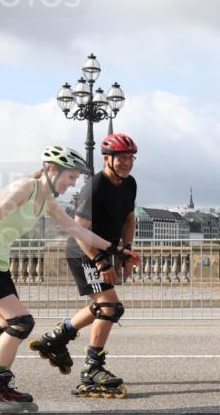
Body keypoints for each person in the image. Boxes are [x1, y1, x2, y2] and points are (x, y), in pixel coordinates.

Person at [0, 146, 117, 414]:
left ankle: (0, 385)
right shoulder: (25, 187)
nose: (72, 184)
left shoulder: (48, 201)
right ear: (52, 169)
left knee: (9, 328)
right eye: (70, 177)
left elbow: (76, 229)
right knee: (20, 323)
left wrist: (116, 249)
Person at [29, 133, 140, 399]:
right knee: (109, 306)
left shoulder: (129, 184)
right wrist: (101, 262)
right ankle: (92, 367)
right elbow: (79, 231)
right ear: (106, 159)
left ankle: (57, 337)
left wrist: (126, 252)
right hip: (83, 251)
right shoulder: (95, 187)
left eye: (130, 157)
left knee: (106, 307)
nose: (126, 163)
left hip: (105, 249)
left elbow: (129, 218)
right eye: (121, 158)